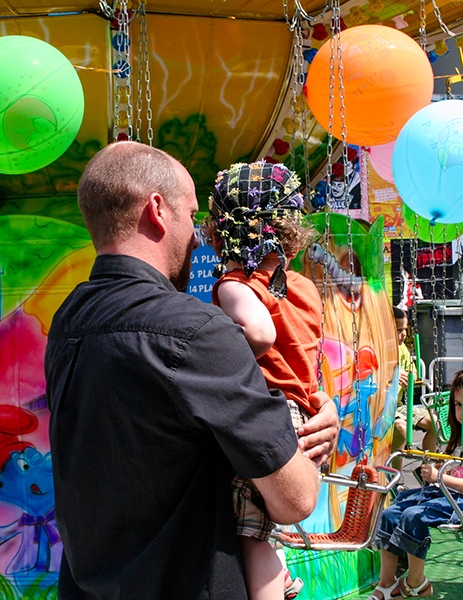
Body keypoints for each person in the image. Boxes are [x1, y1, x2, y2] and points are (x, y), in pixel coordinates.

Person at [44, 142, 339, 600]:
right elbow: (296, 498)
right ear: (158, 211)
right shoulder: (196, 332)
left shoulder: (68, 322)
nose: (200, 236)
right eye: (191, 214)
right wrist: (319, 434)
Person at [205, 161, 328, 600]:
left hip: (270, 415)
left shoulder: (235, 284)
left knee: (249, 534)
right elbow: (306, 355)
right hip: (304, 418)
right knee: (264, 527)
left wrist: (226, 359)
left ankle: (270, 587)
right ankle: (280, 578)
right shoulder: (304, 288)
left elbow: (260, 333)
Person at [369, 370, 463, 600]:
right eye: (459, 405)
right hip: (448, 494)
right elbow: (451, 467)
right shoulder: (460, 434)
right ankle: (386, 582)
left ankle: (416, 581)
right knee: (392, 511)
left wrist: (440, 477)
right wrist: (437, 466)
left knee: (413, 515)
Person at [390, 306, 438, 463]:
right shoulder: (377, 349)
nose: (404, 334)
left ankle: (426, 469)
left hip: (398, 406)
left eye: (405, 329)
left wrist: (409, 376)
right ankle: (396, 479)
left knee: (436, 424)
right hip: (380, 407)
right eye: (398, 330)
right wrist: (393, 376)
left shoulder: (401, 348)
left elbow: (414, 373)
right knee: (400, 429)